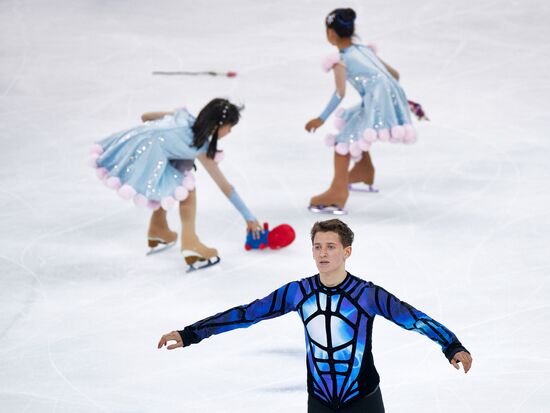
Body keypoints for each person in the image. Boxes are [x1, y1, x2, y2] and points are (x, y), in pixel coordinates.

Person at [158, 219, 472, 412]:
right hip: (320, 401)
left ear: (346, 251)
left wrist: (451, 345)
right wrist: (190, 334)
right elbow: (246, 314)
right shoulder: (299, 292)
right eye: (318, 246)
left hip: (363, 399)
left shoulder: (367, 295)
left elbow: (414, 318)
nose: (323, 253)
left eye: (331, 247)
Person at [90, 98, 262, 269]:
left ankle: (158, 229)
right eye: (229, 127)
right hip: (145, 157)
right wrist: (250, 218)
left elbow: (145, 117)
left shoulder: (183, 118)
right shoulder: (200, 147)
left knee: (174, 176)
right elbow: (225, 187)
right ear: (218, 124)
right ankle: (191, 243)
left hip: (130, 142)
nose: (229, 132)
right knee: (187, 190)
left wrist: (164, 134)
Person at [305, 8, 417, 214]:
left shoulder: (341, 60)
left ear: (330, 33)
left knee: (341, 141)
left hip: (377, 102)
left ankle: (337, 193)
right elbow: (395, 75)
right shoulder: (364, 50)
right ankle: (364, 170)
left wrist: (320, 119)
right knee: (352, 124)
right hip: (389, 98)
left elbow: (340, 94)